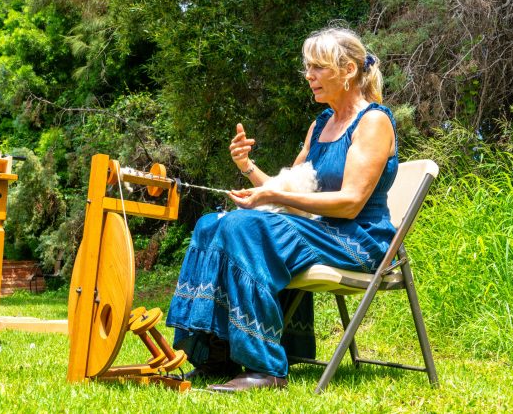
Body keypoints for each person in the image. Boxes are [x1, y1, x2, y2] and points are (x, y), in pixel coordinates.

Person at [165, 27, 398, 392]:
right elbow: (287, 188)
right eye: (309, 68)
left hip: (358, 240)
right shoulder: (320, 125)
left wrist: (270, 202)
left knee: (243, 227)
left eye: (318, 67)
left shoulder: (373, 122)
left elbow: (351, 204)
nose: (309, 76)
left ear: (349, 70)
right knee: (212, 223)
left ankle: (267, 369)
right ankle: (215, 357)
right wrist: (247, 167)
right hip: (321, 231)